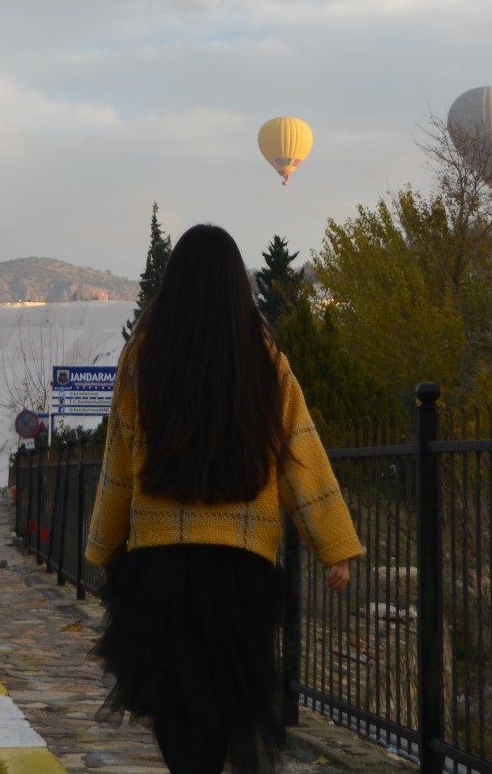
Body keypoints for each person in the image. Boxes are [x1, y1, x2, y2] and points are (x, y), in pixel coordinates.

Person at [85, 223, 362, 774]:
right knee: (226, 701)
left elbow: (119, 460)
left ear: (174, 284)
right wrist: (335, 544)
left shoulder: (144, 356)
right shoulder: (265, 359)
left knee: (173, 698)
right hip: (241, 567)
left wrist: (103, 549)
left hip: (160, 565)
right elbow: (299, 453)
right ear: (240, 286)